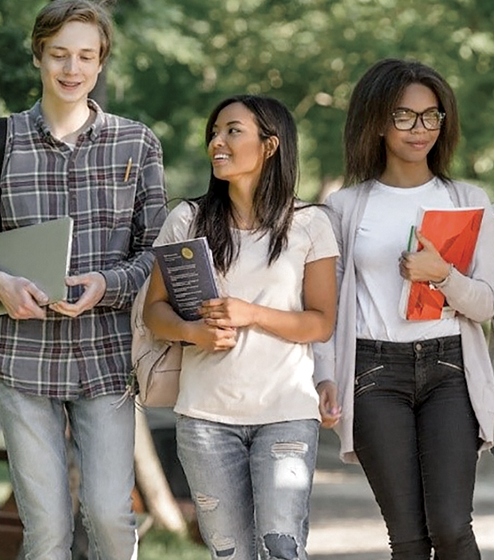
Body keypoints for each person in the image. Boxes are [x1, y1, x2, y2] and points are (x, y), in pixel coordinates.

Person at [0, 0, 167, 558]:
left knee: (108, 517)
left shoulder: (138, 144)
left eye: (85, 56)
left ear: (101, 63)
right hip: (19, 357)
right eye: (59, 54)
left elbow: (156, 253)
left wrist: (109, 283)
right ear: (38, 56)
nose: (71, 69)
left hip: (106, 357)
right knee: (48, 529)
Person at [143, 94, 340, 560]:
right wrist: (195, 333)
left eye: (233, 131)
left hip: (287, 417)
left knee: (281, 547)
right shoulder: (186, 220)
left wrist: (250, 314)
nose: (217, 141)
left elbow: (321, 322)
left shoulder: (310, 224)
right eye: (215, 132)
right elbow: (154, 312)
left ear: (270, 146)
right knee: (229, 553)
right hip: (206, 420)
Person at [318, 58, 494, 560]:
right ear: (376, 121)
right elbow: (327, 307)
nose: (421, 130)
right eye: (405, 116)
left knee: (451, 527)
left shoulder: (467, 200)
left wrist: (442, 275)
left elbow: (486, 303)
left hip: (449, 370)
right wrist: (323, 376)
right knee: (409, 537)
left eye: (431, 116)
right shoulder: (345, 208)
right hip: (374, 374)